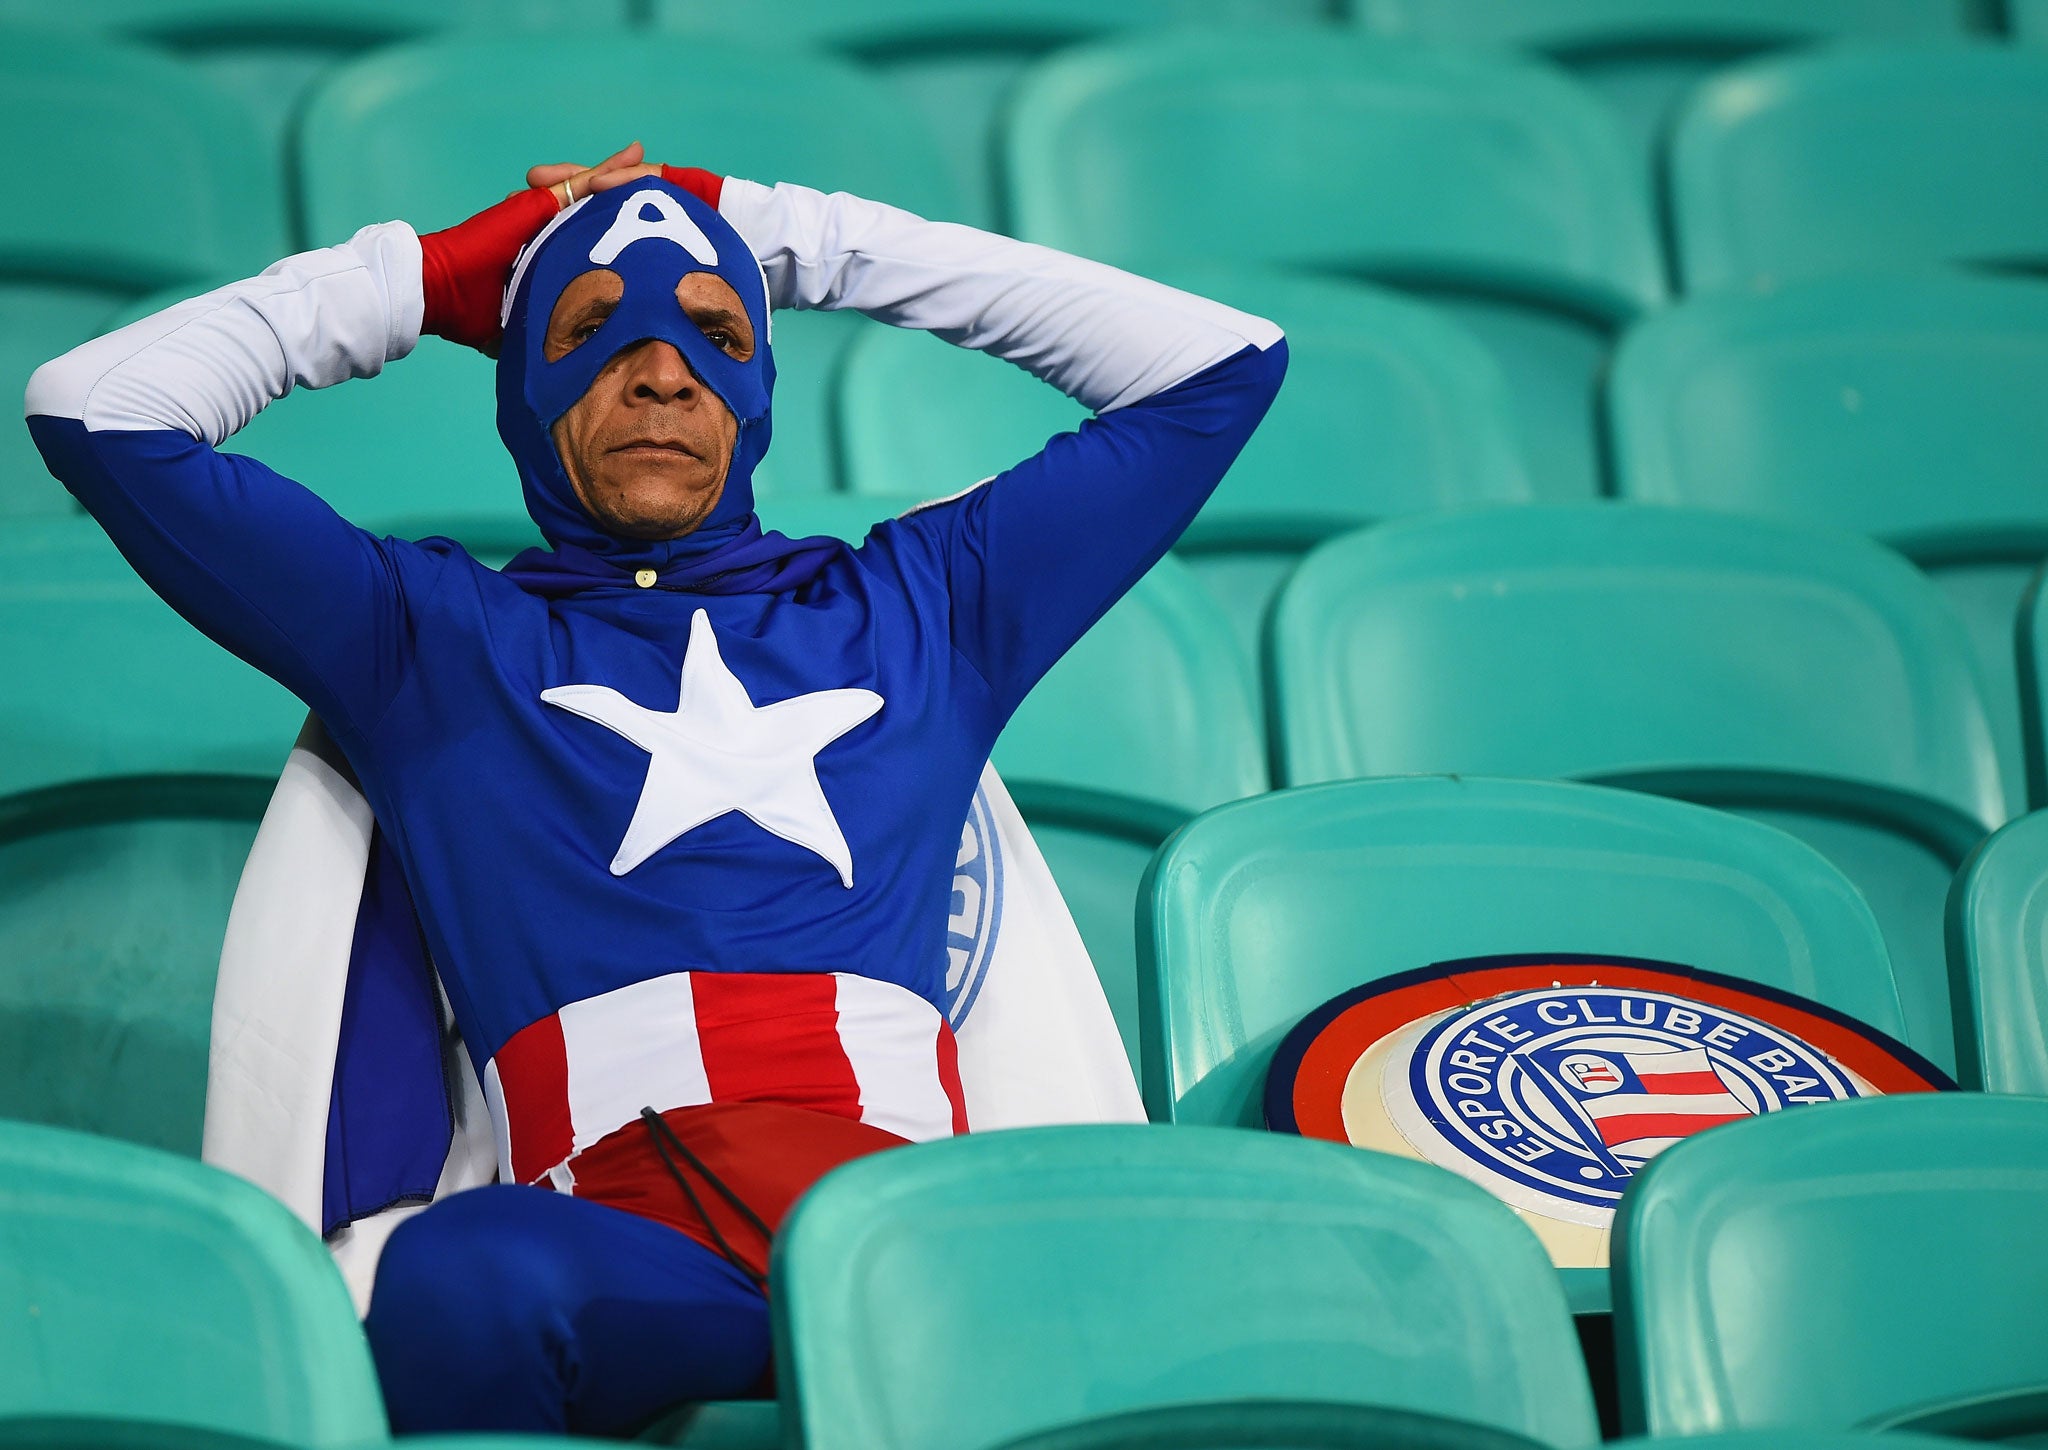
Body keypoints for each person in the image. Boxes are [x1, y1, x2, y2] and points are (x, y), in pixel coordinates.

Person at [25, 142, 1286, 1434]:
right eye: (593, 329)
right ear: (524, 389)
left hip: (933, 1254)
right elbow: (96, 409)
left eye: (713, 329)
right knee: (463, 1283)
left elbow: (1224, 367)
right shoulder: (431, 644)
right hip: (619, 1251)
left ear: (758, 387)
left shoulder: (921, 607)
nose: (663, 369)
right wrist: (418, 279)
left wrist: (801, 234)